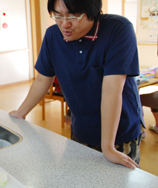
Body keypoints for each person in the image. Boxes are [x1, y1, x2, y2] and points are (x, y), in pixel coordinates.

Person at [10, 0, 144, 169]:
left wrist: (108, 147)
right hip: (81, 127)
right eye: (58, 15)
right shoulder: (53, 35)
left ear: (93, 12)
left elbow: (112, 89)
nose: (64, 24)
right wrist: (21, 113)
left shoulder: (118, 29)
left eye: (73, 16)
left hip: (119, 131)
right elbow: (43, 79)